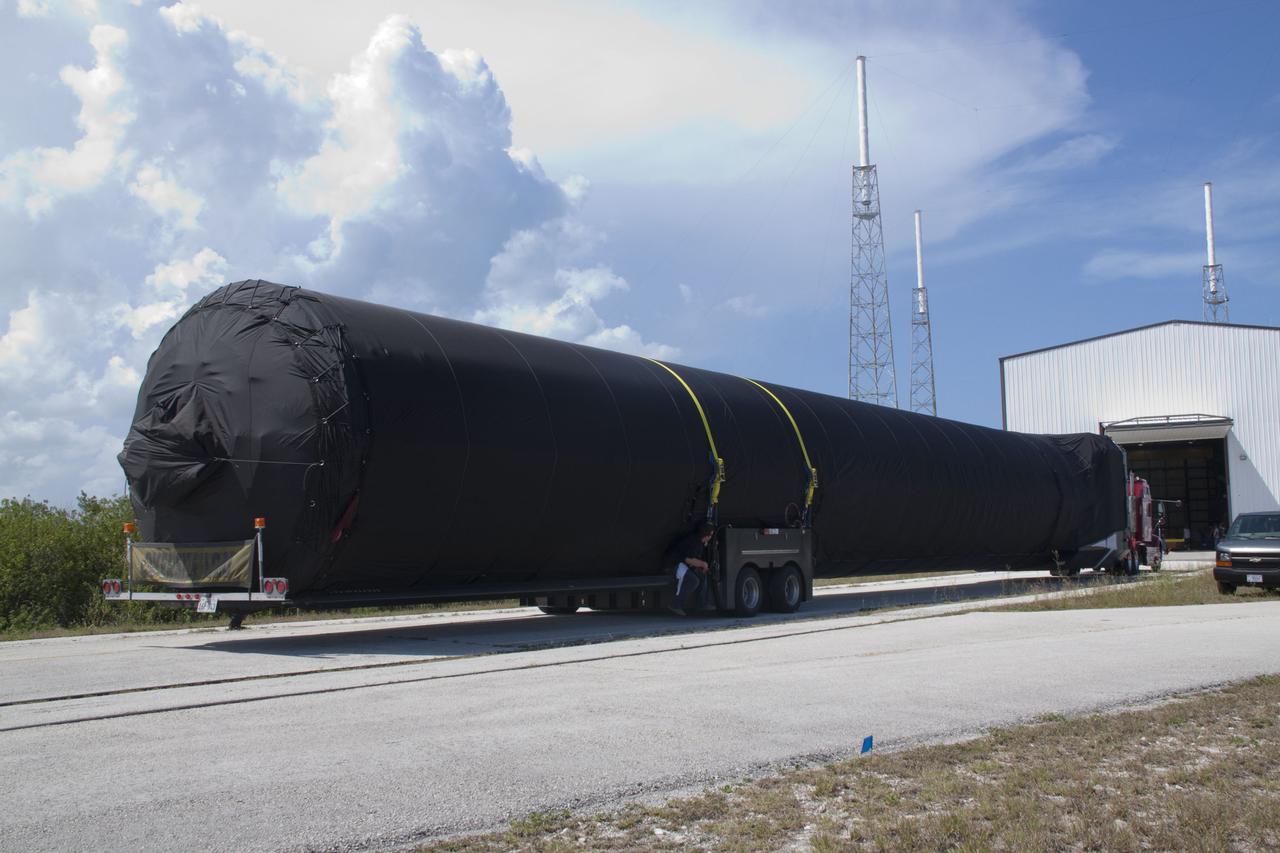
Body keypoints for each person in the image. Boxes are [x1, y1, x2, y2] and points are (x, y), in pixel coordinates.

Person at [664, 520, 715, 615]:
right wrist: (703, 564)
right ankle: (676, 605)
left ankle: (701, 604)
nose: (711, 537)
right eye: (711, 535)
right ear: (706, 535)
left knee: (702, 576)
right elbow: (688, 560)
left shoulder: (699, 541)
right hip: (674, 564)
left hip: (682, 564)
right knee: (693, 580)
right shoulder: (693, 542)